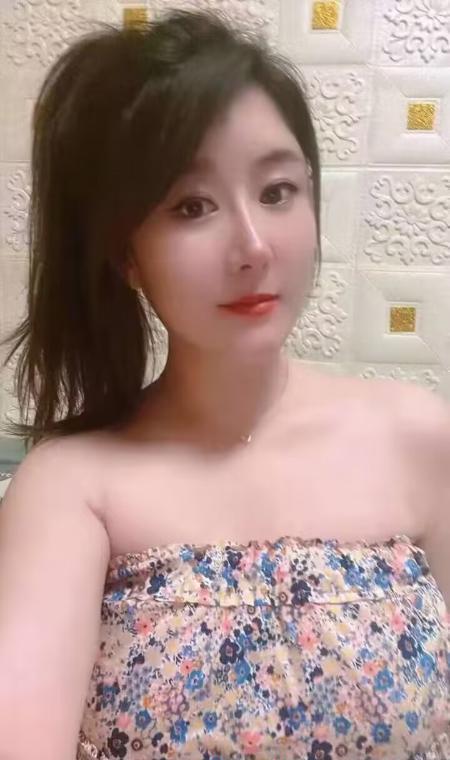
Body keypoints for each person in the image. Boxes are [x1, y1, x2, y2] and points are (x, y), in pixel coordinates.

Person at [0, 8, 448, 760]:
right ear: (126, 254)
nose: (252, 245)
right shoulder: (71, 487)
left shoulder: (421, 439)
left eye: (277, 192)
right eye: (191, 206)